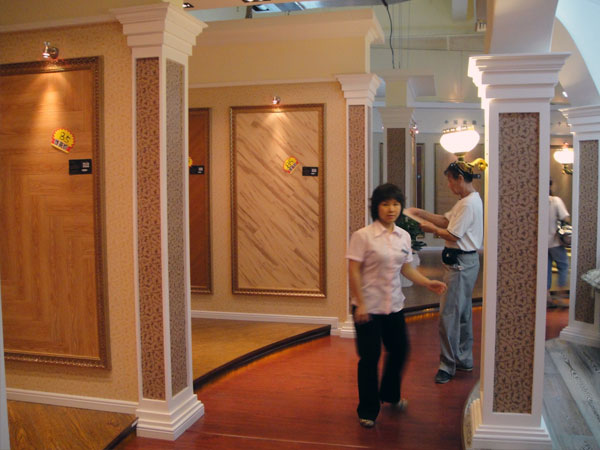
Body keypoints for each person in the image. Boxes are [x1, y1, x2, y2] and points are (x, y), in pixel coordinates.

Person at [347, 183, 447, 428]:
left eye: (395, 204)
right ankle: (368, 410)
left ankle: (390, 395)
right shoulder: (363, 236)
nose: (391, 209)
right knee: (369, 358)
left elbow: (406, 268)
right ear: (376, 207)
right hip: (368, 307)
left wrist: (427, 283)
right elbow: (354, 271)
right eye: (385, 204)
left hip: (394, 306)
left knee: (400, 350)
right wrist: (361, 303)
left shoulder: (403, 235)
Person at [404, 161, 483, 385]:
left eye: (450, 180)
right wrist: (420, 213)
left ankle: (447, 365)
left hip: (460, 265)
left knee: (448, 315)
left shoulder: (468, 204)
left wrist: (431, 230)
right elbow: (446, 221)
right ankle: (464, 358)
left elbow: (452, 235)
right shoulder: (468, 201)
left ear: (460, 178)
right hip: (465, 262)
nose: (448, 185)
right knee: (463, 312)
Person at [548, 180, 570, 307]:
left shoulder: (538, 201)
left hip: (541, 243)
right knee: (563, 266)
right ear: (551, 185)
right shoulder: (555, 201)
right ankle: (560, 297)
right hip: (555, 241)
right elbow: (565, 217)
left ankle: (547, 297)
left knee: (546, 269)